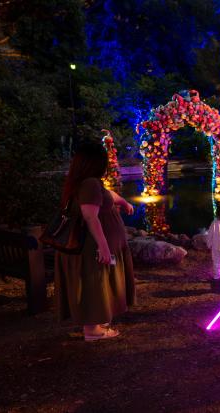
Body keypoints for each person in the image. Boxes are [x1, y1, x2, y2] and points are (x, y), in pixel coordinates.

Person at [54, 141, 135, 341]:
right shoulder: (90, 183)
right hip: (91, 246)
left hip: (93, 246)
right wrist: (104, 246)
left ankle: (95, 322)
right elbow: (90, 216)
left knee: (98, 283)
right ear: (96, 163)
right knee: (93, 283)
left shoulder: (88, 182)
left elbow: (107, 195)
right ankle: (92, 330)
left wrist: (123, 202)